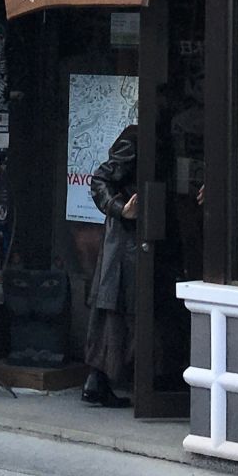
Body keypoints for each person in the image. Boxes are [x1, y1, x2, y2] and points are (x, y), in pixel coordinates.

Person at [82, 123, 139, 408]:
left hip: (137, 242)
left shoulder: (158, 136)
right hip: (127, 242)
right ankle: (99, 380)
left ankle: (101, 380)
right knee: (115, 313)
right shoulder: (135, 138)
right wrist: (120, 208)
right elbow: (100, 179)